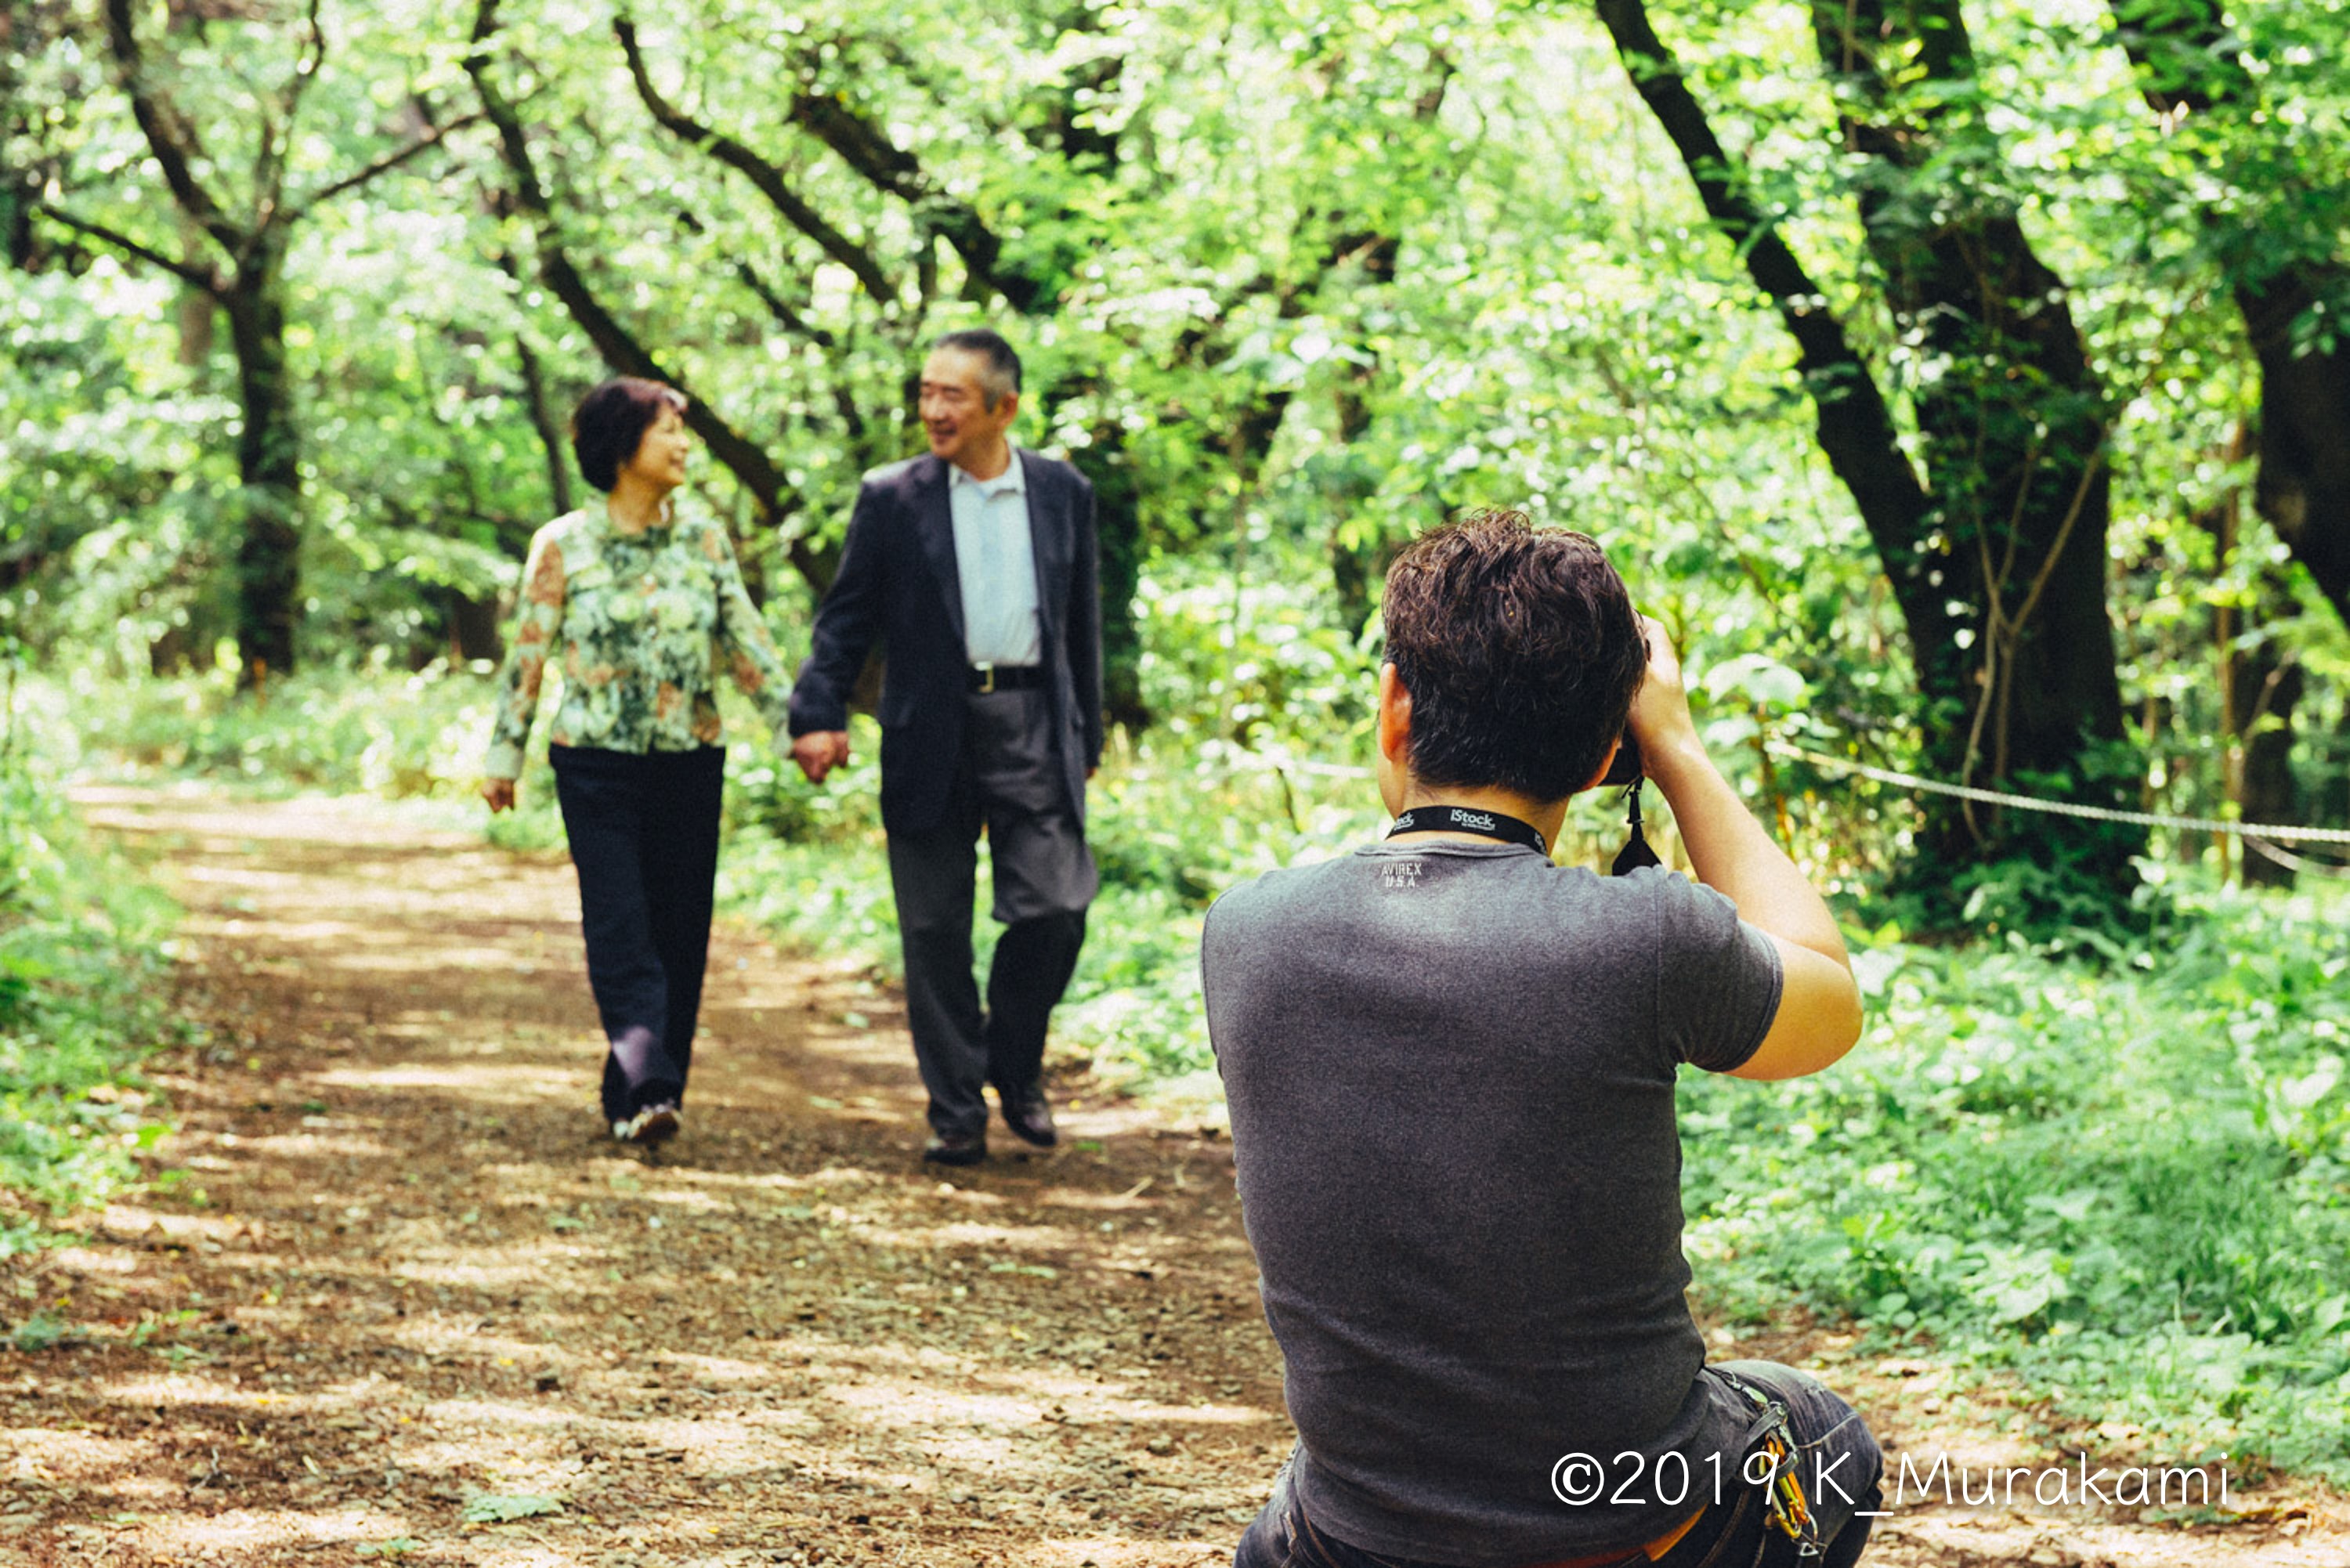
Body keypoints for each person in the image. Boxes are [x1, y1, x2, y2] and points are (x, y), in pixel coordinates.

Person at [1205, 510, 1880, 1568]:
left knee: (1296, 1507)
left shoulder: (1246, 931)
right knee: (1833, 1436)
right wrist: (1679, 747)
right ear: (1608, 752)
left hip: (1360, 1538)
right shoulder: (1647, 937)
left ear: (1394, 708)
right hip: (1624, 1528)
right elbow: (1828, 998)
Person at [787, 327, 1102, 1167]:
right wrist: (816, 710)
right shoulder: (892, 496)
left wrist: (1090, 736)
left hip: (1034, 722)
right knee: (933, 930)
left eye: (951, 395)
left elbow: (1082, 625)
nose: (932, 409)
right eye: (926, 392)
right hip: (928, 727)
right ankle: (956, 1110)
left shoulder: (1062, 491)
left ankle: (1014, 1063)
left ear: (1004, 407)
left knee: (1057, 909)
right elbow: (845, 619)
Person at [480, 377, 794, 1147]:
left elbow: (746, 643)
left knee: (680, 931)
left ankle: (642, 1095)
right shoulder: (563, 544)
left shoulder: (705, 541)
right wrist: (505, 753)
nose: (685, 445)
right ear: (624, 447)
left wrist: (799, 730)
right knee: (621, 921)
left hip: (691, 757)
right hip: (595, 763)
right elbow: (529, 651)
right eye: (669, 432)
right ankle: (652, 1075)